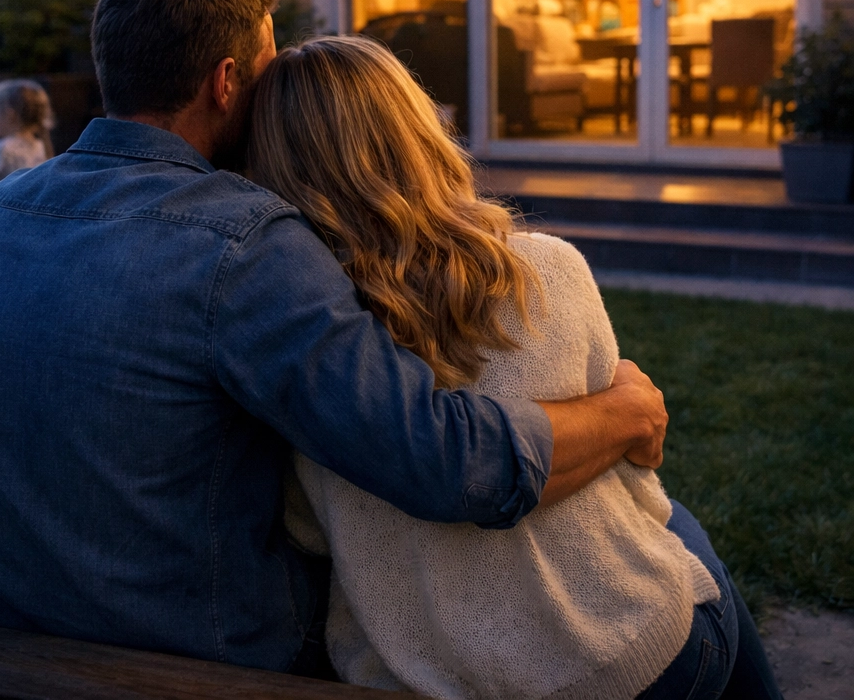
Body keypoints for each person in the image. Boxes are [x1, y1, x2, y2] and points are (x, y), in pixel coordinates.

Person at [0, 0, 668, 675]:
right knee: (673, 547)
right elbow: (437, 462)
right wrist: (623, 413)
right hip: (178, 645)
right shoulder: (239, 240)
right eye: (271, 73)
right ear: (227, 80)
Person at [248, 35, 781, 700]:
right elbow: (637, 473)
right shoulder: (547, 272)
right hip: (621, 663)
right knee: (676, 534)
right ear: (418, 130)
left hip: (419, 677)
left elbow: (306, 528)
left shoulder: (295, 339)